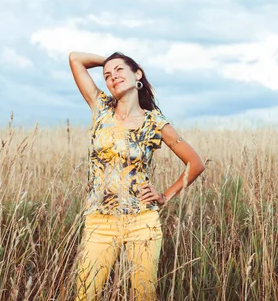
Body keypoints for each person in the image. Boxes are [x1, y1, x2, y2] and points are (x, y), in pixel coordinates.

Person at [69, 51, 206, 301]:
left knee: (144, 295)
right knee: (84, 294)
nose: (112, 77)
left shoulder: (155, 122)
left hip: (142, 220)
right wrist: (110, 60)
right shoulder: (100, 108)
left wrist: (164, 196)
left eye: (120, 70)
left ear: (137, 74)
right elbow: (75, 58)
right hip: (100, 220)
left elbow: (195, 163)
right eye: (107, 75)